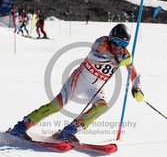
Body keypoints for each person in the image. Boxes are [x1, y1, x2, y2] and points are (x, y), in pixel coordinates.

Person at [7, 24, 144, 143]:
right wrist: (116, 60)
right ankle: (22, 126)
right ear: (110, 37)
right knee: (56, 105)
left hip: (95, 87)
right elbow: (96, 57)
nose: (118, 47)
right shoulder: (101, 42)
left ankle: (68, 131)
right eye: (116, 42)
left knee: (103, 106)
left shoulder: (124, 55)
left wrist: (136, 87)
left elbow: (134, 73)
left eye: (123, 45)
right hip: (78, 80)